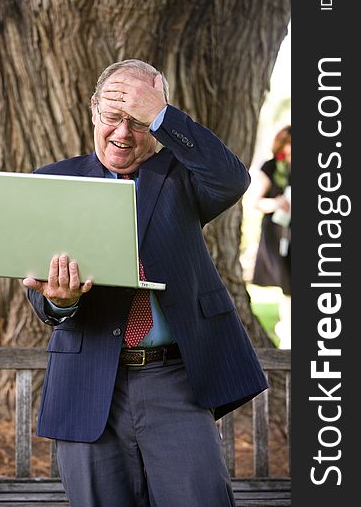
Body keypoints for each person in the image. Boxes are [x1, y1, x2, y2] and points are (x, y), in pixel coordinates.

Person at [23, 59, 268, 506]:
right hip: (87, 379)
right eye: (114, 117)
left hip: (175, 378)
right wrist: (59, 302)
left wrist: (164, 116)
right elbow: (41, 301)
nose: (123, 133)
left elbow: (232, 179)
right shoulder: (53, 181)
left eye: (139, 121)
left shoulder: (183, 177)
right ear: (94, 112)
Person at [251, 125, 291, 349]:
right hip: (278, 233)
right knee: (289, 285)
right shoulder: (272, 167)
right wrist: (277, 203)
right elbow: (257, 201)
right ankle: (287, 331)